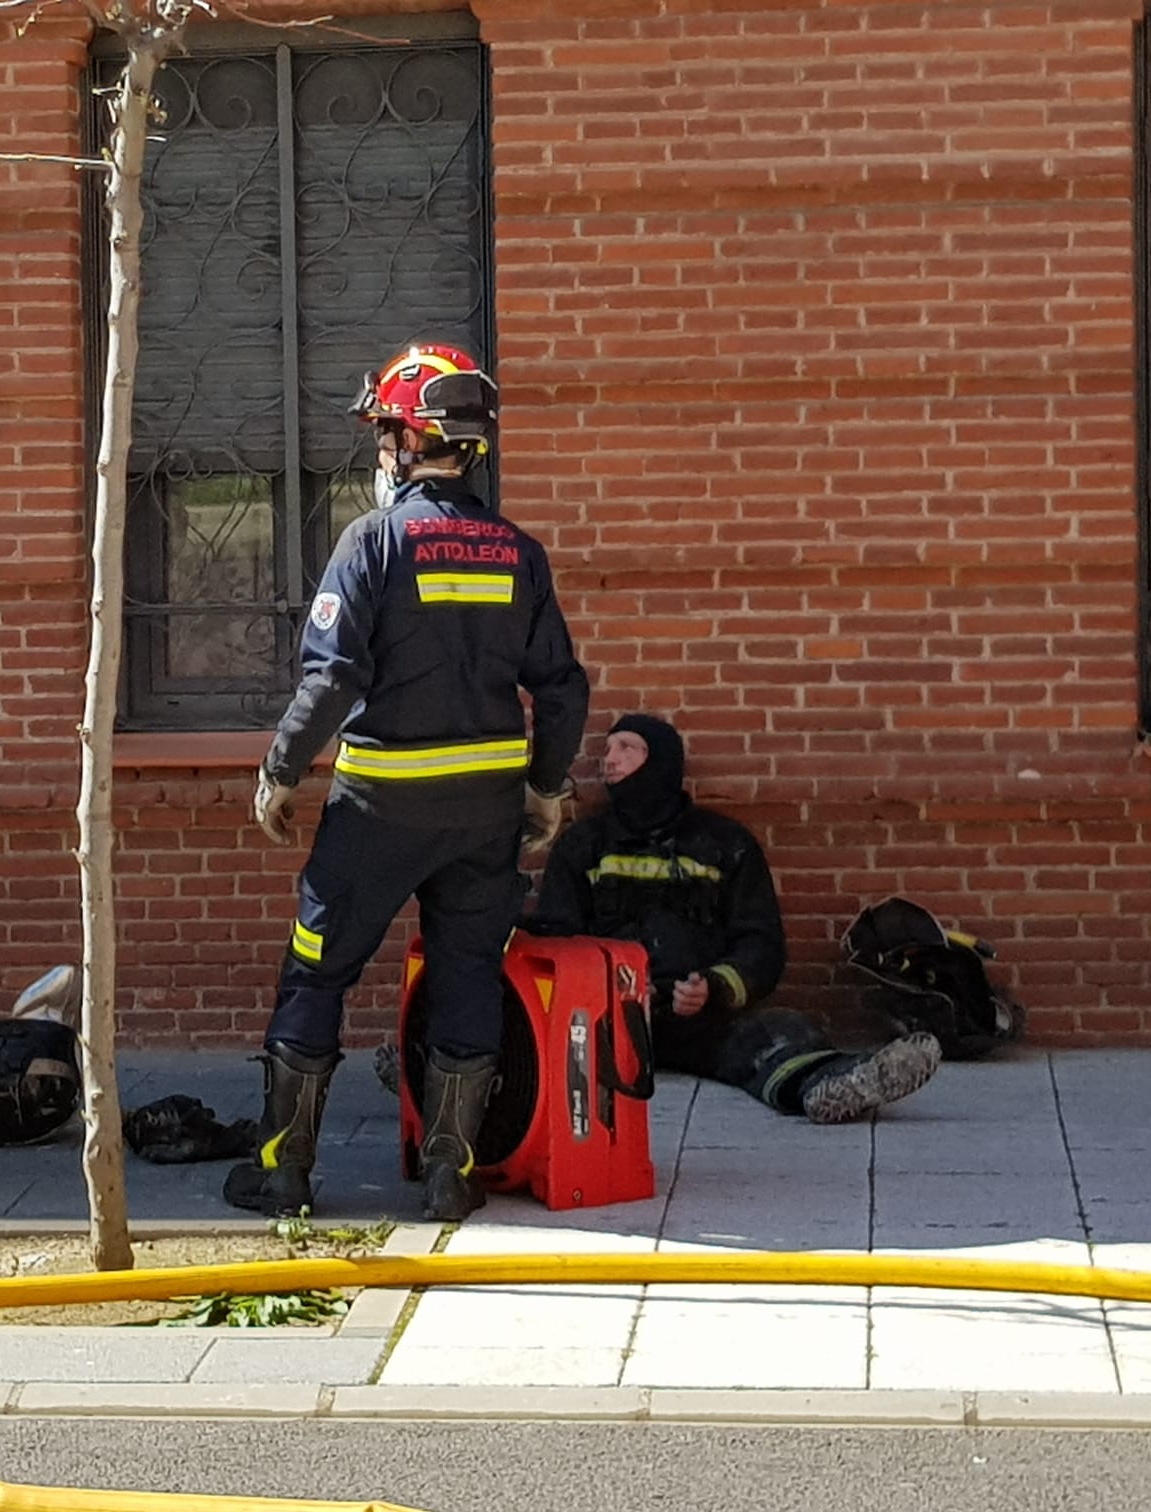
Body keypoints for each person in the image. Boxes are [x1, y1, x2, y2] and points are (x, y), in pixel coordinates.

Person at [224, 342, 590, 1222]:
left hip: (378, 809)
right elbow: (562, 687)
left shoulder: (373, 541)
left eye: (385, 431)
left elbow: (332, 677)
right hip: (485, 815)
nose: (379, 448)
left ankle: (284, 1173)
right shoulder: (517, 552)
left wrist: (280, 769)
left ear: (410, 438)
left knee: (316, 975)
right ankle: (449, 1178)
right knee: (467, 974)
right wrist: (546, 788)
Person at [533, 714, 941, 1122]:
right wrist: (614, 992)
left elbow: (761, 945)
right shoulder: (583, 846)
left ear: (660, 761)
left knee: (778, 1031)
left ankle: (831, 1083)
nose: (610, 760)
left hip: (701, 1020)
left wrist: (713, 989)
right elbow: (558, 939)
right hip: (609, 1021)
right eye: (607, 749)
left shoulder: (724, 843)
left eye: (627, 748)